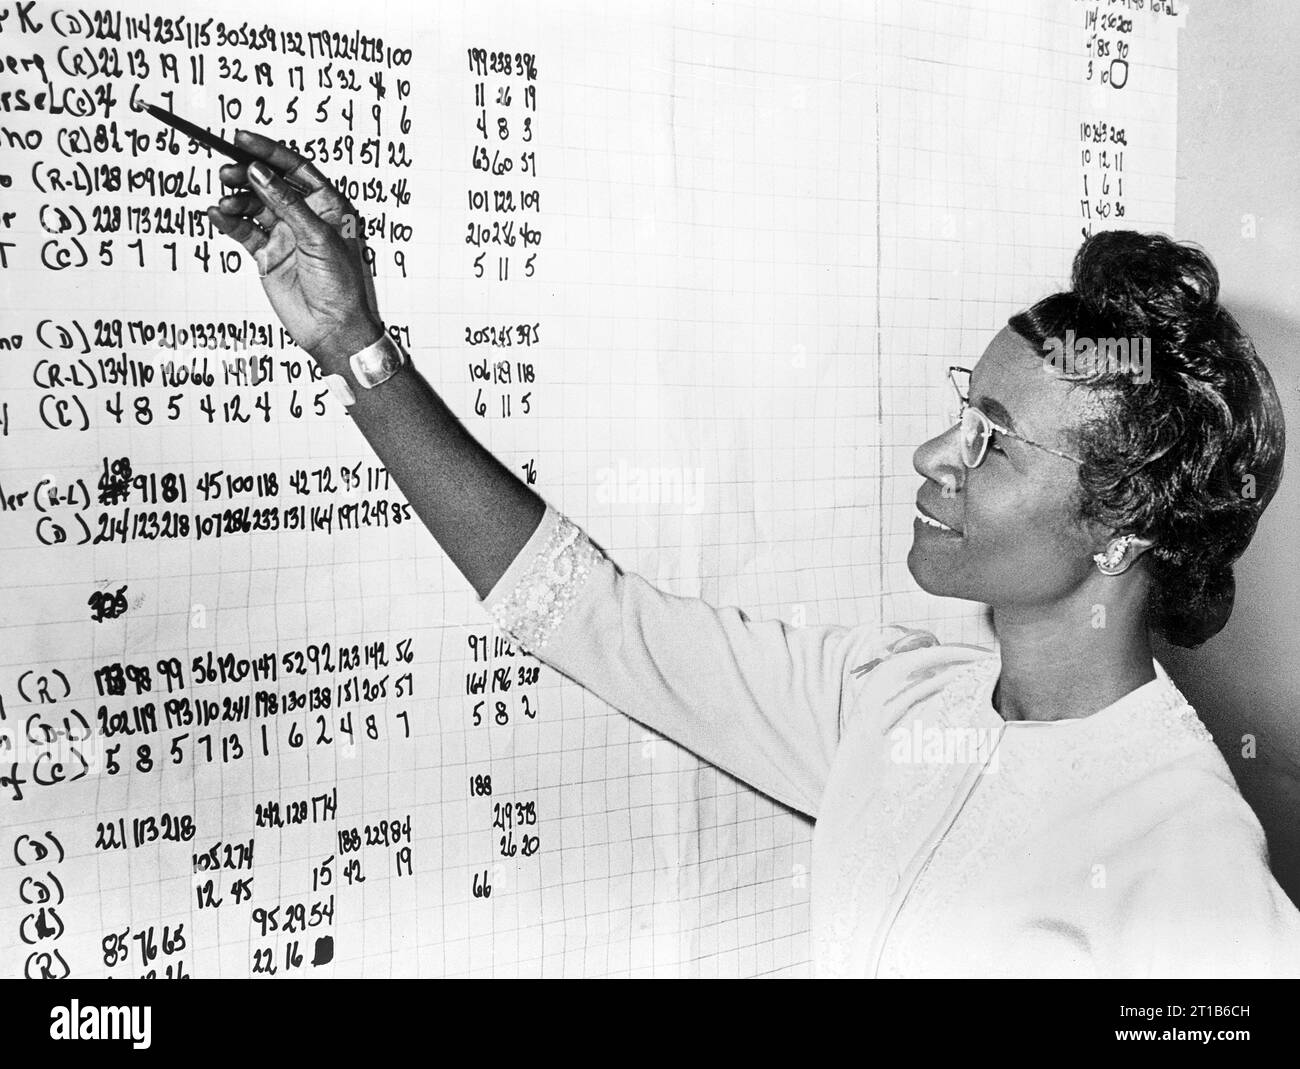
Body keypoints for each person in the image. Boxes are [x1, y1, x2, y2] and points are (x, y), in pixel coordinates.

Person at [207, 129, 1300, 978]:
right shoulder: (892, 704)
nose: (932, 453)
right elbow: (586, 612)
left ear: (1123, 531)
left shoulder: (1190, 867)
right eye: (959, 409)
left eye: (991, 441)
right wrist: (354, 345)